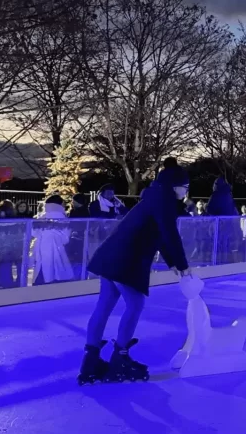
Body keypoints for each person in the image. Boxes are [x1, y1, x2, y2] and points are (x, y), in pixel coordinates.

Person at [79, 158, 191, 384]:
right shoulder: (165, 201)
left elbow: (159, 235)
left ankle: (90, 360)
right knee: (135, 304)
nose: (186, 191)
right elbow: (169, 234)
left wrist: (173, 263)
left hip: (111, 254)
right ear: (175, 186)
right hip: (126, 258)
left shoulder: (154, 198)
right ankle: (120, 358)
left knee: (104, 305)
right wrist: (183, 265)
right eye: (185, 187)